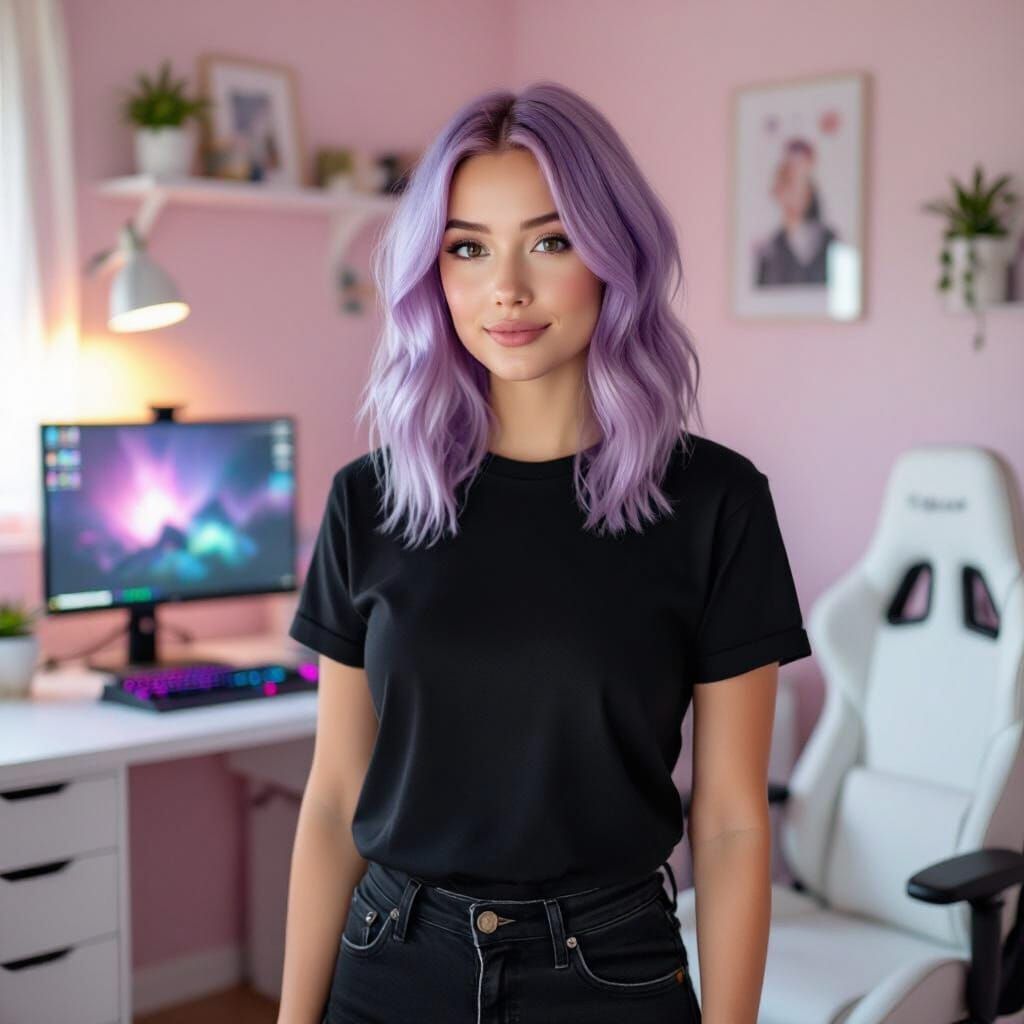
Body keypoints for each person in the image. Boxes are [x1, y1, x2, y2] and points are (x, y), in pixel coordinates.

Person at [278, 81, 812, 1024]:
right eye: (468, 249)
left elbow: (729, 824)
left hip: (612, 972)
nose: (507, 289)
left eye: (551, 240)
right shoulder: (369, 501)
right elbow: (332, 800)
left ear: (615, 256)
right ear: (432, 275)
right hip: (390, 964)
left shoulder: (716, 504)